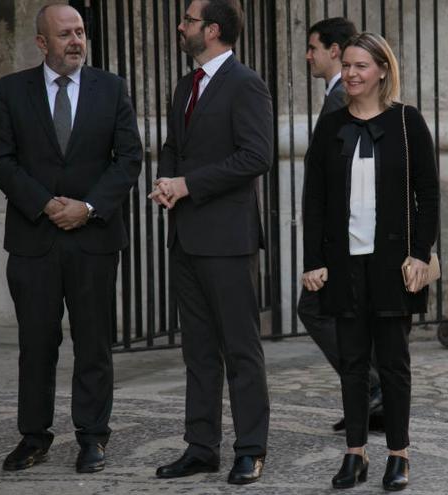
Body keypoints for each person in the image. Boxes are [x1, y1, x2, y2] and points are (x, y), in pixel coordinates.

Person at [0, 4, 142, 474]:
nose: (76, 40)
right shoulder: (12, 91)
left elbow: (128, 157)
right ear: (42, 43)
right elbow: (0, 159)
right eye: (65, 34)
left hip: (93, 238)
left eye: (80, 32)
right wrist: (46, 203)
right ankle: (33, 437)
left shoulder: (110, 88)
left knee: (94, 342)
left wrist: (88, 207)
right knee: (37, 343)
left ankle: (93, 437)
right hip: (35, 239)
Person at [302, 32, 439, 491]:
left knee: (395, 362)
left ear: (382, 70)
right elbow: (314, 198)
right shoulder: (331, 125)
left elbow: (429, 195)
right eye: (348, 66)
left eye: (362, 66)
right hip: (344, 263)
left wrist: (420, 254)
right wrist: (313, 260)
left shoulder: (407, 123)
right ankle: (355, 454)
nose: (352, 74)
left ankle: (398, 454)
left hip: (392, 264)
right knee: (354, 362)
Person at [148, 0, 272, 486]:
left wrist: (189, 185)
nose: (181, 27)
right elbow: (173, 147)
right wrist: (164, 179)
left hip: (228, 241)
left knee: (240, 350)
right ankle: (201, 448)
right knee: (197, 352)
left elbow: (255, 156)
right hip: (185, 239)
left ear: (213, 30)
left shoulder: (246, 84)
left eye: (189, 20)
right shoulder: (186, 83)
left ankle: (251, 449)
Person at [301, 17, 385, 433]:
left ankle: (371, 387)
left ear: (334, 50)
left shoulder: (341, 101)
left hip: (344, 236)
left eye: (313, 47)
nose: (307, 55)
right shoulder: (336, 97)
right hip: (346, 235)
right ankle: (369, 397)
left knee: (314, 308)